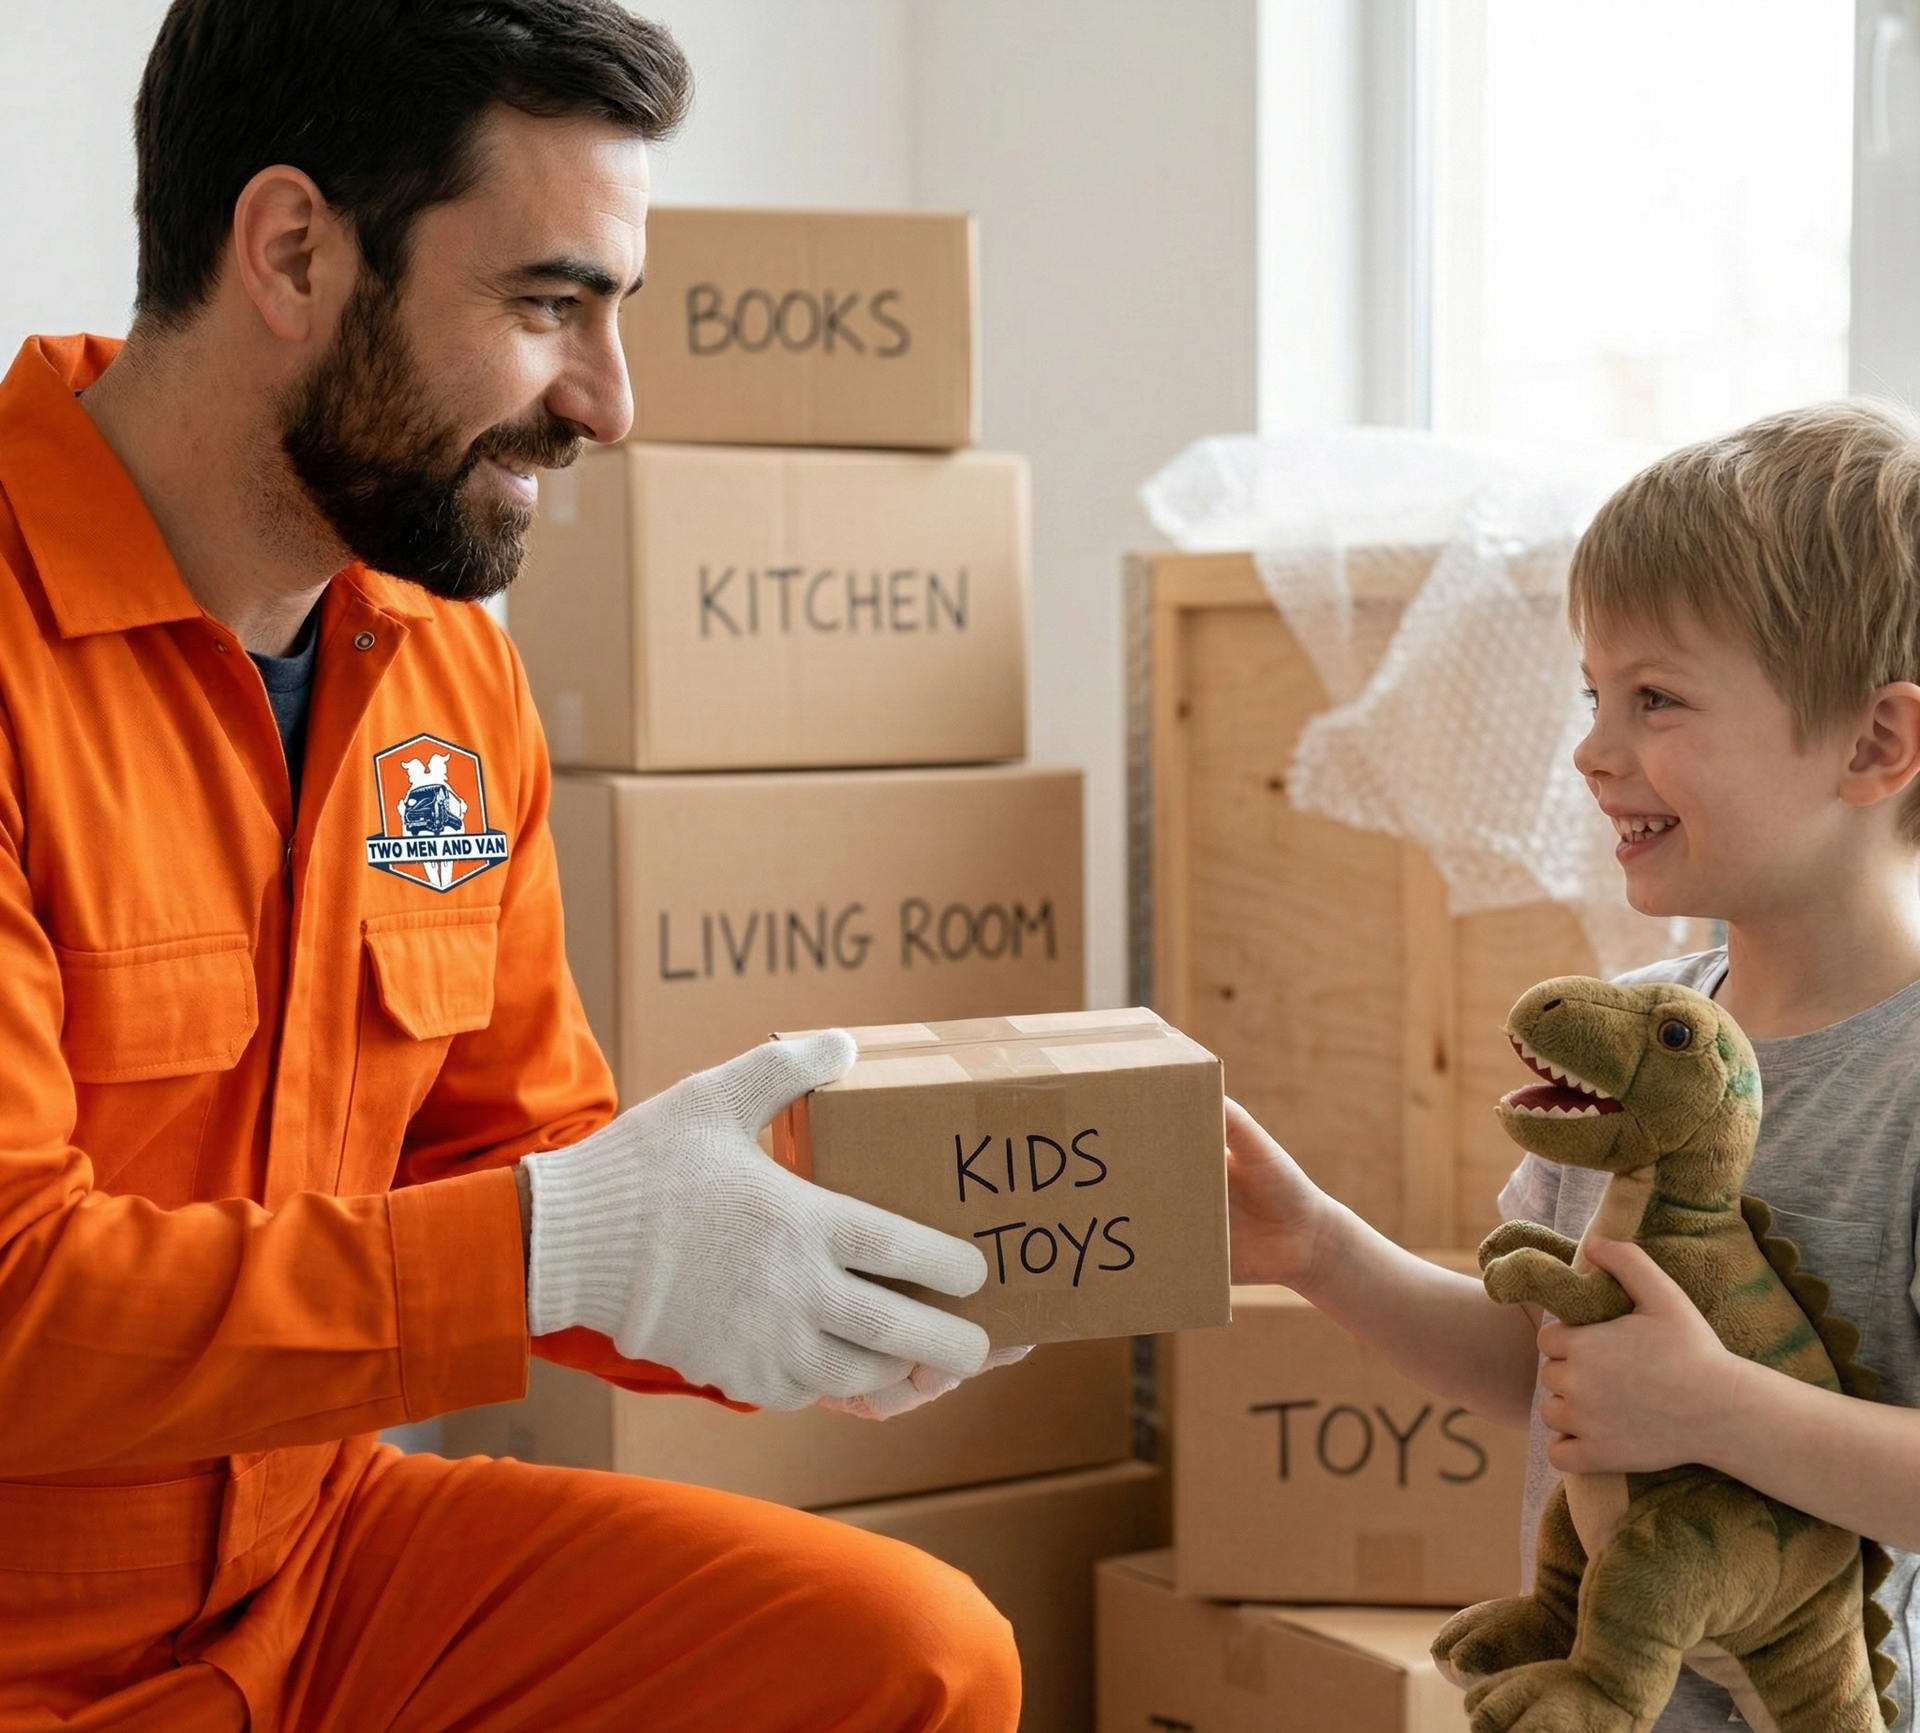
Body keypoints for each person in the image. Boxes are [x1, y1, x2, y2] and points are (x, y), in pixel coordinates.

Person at [0, 2, 1024, 1727]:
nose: (607, 404)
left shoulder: (440, 663)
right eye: (550, 303)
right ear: (294, 252)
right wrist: (563, 1250)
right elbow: (19, 1308)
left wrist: (810, 1272)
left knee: (915, 1664)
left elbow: (523, 1154)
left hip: (307, 1563)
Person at [1229, 400, 1920, 1731]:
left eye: (1653, 698)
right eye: (1592, 694)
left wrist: (1718, 1410)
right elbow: (1544, 1366)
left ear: (1873, 746)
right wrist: (1318, 1249)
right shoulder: (1644, 1038)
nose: (1593, 752)